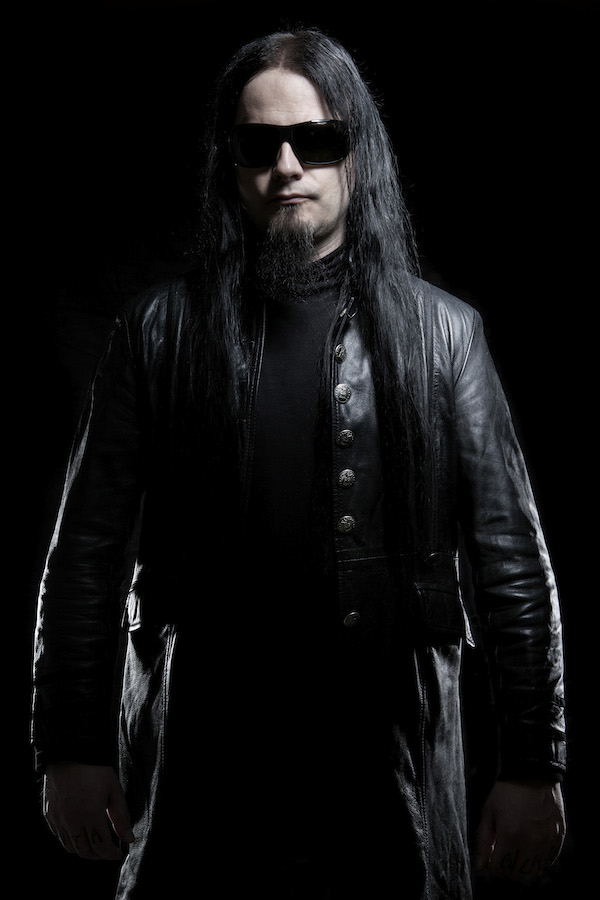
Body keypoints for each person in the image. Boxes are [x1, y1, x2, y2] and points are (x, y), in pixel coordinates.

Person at [32, 27, 567, 900]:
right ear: (231, 163)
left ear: (356, 153)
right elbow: (84, 556)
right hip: (205, 762)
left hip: (385, 770)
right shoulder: (157, 331)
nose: (287, 166)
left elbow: (511, 562)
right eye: (259, 144)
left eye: (315, 140)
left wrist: (534, 764)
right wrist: (69, 746)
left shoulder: (445, 335)